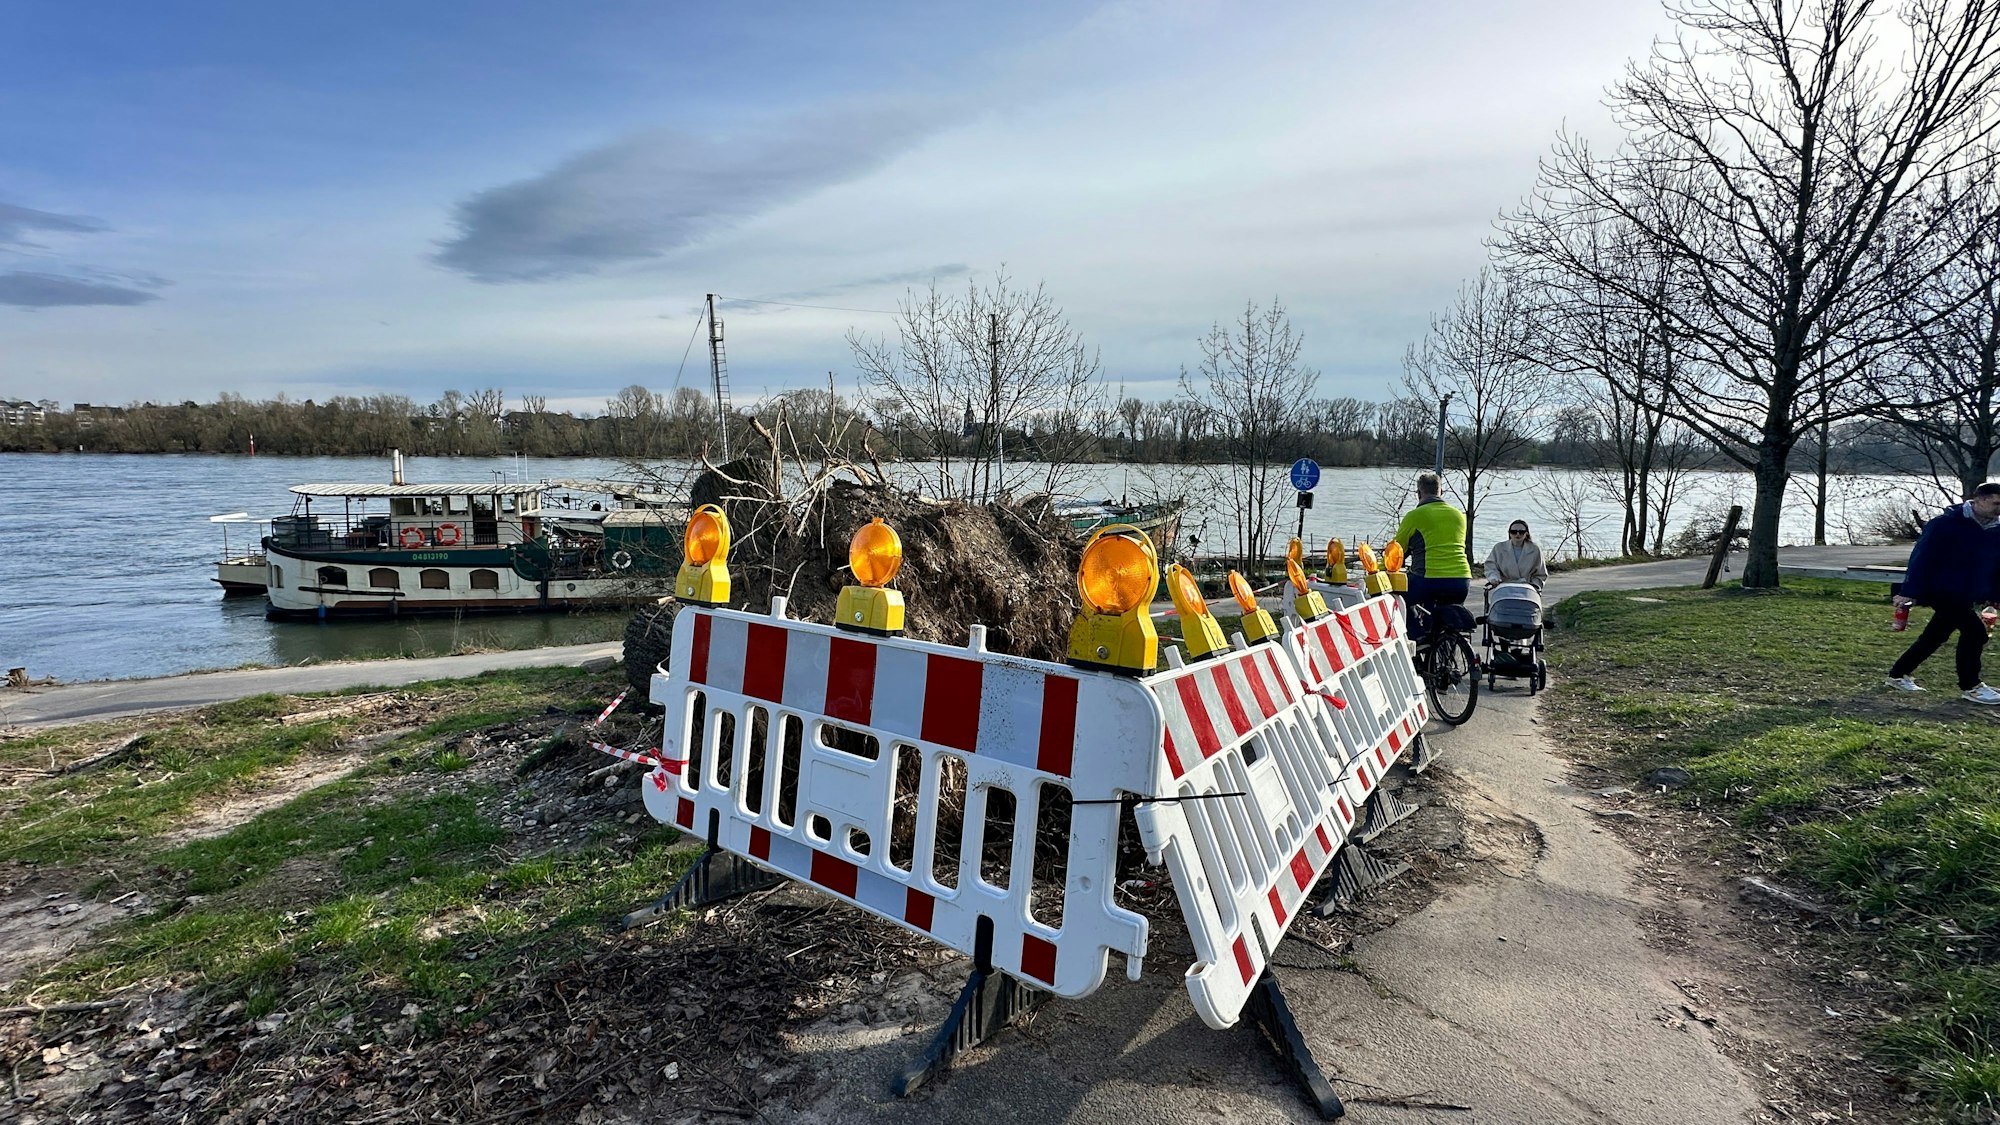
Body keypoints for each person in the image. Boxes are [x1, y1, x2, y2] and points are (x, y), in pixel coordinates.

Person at [1888, 482, 2000, 704]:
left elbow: (1995, 566)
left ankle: (1898, 674)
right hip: (1939, 588)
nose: (1999, 509)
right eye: (1996, 503)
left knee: (1935, 635)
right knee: (1975, 633)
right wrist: (1909, 591)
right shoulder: (1945, 524)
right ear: (1979, 500)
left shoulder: (1996, 530)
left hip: (1966, 591)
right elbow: (1922, 557)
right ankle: (1971, 686)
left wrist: (1995, 595)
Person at [1392, 472, 1472, 634]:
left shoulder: (1414, 516)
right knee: (1439, 614)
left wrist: (1379, 567)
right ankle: (1443, 642)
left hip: (1428, 580)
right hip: (1461, 581)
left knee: (1397, 599)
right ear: (1441, 492)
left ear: (1418, 493)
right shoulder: (1458, 515)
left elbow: (1396, 552)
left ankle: (1417, 637)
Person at [1484, 520, 1548, 590]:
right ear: (1509, 533)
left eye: (1521, 532)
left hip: (1527, 589)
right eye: (1514, 532)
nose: (1517, 534)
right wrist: (1494, 578)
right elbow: (1490, 566)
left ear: (1526, 533)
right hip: (1504, 588)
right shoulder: (1499, 548)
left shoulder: (1535, 549)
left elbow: (1541, 573)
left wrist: (1535, 586)